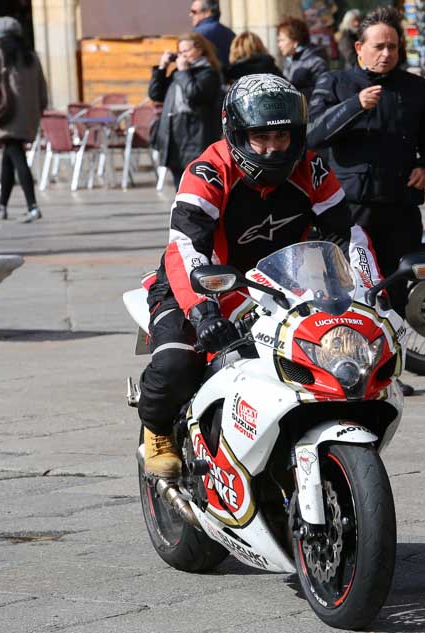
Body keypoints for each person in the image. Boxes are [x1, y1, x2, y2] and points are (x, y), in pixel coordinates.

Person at [137, 74, 383, 478]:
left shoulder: (313, 169)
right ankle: (158, 429)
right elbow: (186, 246)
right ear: (236, 133)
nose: (272, 148)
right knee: (175, 365)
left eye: (282, 136)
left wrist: (371, 292)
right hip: (200, 284)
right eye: (260, 137)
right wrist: (203, 312)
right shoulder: (208, 171)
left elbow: (347, 235)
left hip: (281, 284)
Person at [308, 6, 425, 395]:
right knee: (349, 291)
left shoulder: (415, 88)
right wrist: (355, 105)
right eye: (378, 46)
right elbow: (313, 134)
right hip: (349, 209)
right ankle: (346, 371)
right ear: (359, 48)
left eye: (393, 47)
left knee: (394, 290)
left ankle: (389, 374)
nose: (387, 54)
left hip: (399, 206)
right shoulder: (335, 82)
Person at [0, 16, 48, 224]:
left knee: (17, 156)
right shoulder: (31, 56)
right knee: (9, 156)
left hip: (7, 114)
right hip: (28, 115)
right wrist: (39, 109)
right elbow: (42, 87)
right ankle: (1, 206)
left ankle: (32, 206)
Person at [148, 33, 223, 188]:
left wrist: (183, 71)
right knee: (180, 186)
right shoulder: (179, 73)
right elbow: (155, 94)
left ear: (200, 50)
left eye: (186, 51)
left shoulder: (208, 73)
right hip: (174, 137)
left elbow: (194, 94)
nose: (183, 56)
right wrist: (162, 68)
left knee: (196, 185)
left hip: (195, 139)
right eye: (180, 52)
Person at [277, 17, 329, 102]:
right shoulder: (290, 60)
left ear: (295, 42)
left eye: (282, 40)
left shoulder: (316, 62)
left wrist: (293, 94)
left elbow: (322, 92)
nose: (279, 45)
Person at [189, 0, 235, 68]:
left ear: (207, 13)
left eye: (194, 12)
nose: (190, 15)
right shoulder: (230, 32)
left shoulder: (198, 33)